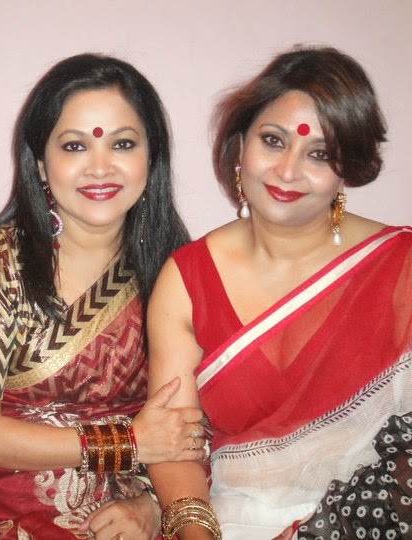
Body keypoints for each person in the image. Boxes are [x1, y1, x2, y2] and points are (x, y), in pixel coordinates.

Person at [146, 45, 412, 540]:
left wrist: (330, 529)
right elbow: (174, 444)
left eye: (319, 154)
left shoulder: (400, 267)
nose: (288, 171)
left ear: (346, 167)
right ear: (240, 143)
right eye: (273, 141)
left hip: (373, 522)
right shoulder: (186, 279)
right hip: (231, 523)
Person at [0, 53, 206, 540]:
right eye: (75, 146)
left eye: (122, 144)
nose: (100, 167)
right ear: (41, 165)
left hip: (130, 505)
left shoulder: (174, 269)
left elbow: (187, 428)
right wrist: (126, 443)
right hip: (5, 505)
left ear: (152, 158)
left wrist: (152, 505)